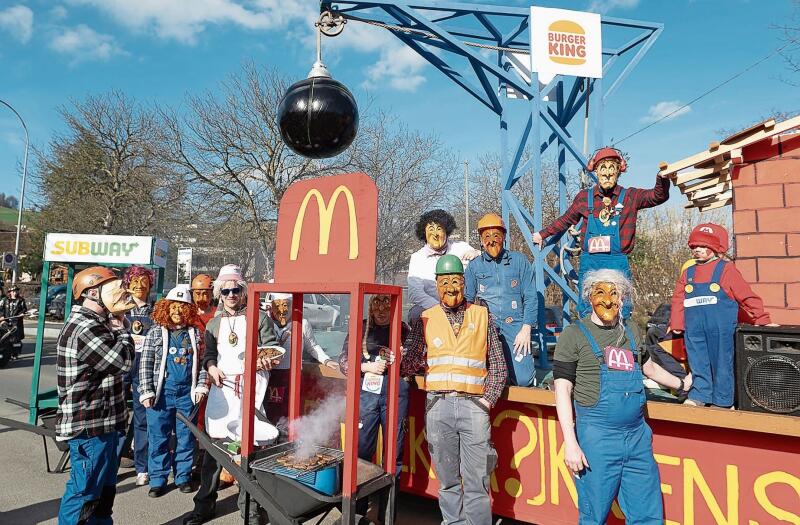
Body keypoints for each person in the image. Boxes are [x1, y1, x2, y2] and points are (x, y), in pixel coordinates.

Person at [553, 269, 691, 525]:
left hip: (637, 437)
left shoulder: (631, 331)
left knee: (648, 517)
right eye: (601, 292)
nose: (608, 300)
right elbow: (562, 390)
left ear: (623, 298)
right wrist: (570, 443)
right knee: (594, 517)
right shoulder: (573, 335)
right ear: (588, 296)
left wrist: (682, 383)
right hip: (597, 439)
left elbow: (648, 367)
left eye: (615, 293)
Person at [402, 255, 507, 525]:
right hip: (439, 408)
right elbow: (411, 361)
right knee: (447, 481)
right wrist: (396, 358)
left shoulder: (482, 315)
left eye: (456, 281)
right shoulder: (425, 319)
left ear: (464, 283)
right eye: (444, 282)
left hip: (474, 408)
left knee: (476, 482)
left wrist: (486, 402)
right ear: (437, 286)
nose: (451, 287)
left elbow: (497, 364)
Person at [183, 264, 279, 525]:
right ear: (219, 293)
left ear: (243, 291)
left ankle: (251, 510)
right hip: (223, 391)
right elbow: (208, 355)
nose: (231, 295)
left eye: (236, 289)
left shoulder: (259, 318)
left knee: (249, 452)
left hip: (252, 389)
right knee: (215, 452)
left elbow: (272, 348)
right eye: (226, 291)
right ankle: (203, 506)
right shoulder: (213, 324)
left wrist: (265, 359)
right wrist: (211, 367)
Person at [533, 148, 670, 317]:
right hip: (590, 263)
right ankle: (590, 340)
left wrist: (662, 179)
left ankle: (621, 340)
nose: (606, 174)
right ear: (596, 171)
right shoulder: (584, 198)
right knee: (588, 308)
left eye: (611, 168)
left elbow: (657, 196)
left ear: (619, 170)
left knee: (620, 308)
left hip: (617, 263)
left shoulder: (630, 196)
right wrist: (542, 234)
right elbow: (566, 219)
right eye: (602, 168)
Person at [55, 266, 138, 525]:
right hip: (89, 427)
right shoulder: (85, 328)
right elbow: (122, 362)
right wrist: (124, 330)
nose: (121, 292)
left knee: (102, 496)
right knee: (85, 495)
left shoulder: (98, 325)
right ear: (92, 293)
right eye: (113, 287)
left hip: (103, 426)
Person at [669, 223, 773, 408]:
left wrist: (761, 319)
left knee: (722, 363)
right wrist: (677, 323)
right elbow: (678, 299)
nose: (698, 250)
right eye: (694, 246)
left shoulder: (726, 269)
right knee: (698, 362)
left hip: (721, 329)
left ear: (716, 248)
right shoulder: (688, 273)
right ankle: (700, 395)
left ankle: (723, 400)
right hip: (694, 329)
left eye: (703, 246)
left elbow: (745, 294)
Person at [139, 285, 209, 497]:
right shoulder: (155, 333)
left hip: (186, 394)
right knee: (158, 436)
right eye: (173, 308)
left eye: (182, 308)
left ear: (188, 310)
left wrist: (201, 385)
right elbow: (146, 362)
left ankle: (183, 476)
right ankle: (158, 478)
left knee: (186, 437)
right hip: (161, 393)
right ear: (165, 309)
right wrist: (146, 391)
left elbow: (204, 363)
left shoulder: (196, 334)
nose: (177, 312)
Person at [339, 295, 410, 487]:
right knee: (360, 451)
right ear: (370, 307)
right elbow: (343, 361)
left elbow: (416, 362)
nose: (380, 310)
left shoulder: (403, 329)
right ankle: (359, 510)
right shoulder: (360, 328)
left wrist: (404, 357)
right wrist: (365, 367)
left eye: (386, 306)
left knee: (394, 453)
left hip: (395, 393)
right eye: (376, 305)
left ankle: (387, 513)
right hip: (367, 393)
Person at [465, 213, 537, 387]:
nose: (491, 240)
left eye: (496, 235)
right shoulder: (474, 266)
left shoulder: (519, 261)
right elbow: (466, 301)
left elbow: (530, 296)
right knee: (484, 376)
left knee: (523, 379)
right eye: (486, 237)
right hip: (487, 326)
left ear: (503, 237)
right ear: (481, 240)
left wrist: (526, 329)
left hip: (516, 326)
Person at [264, 292, 339, 424]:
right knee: (269, 412)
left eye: (286, 305)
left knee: (289, 413)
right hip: (270, 374)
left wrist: (326, 360)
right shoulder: (266, 324)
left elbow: (313, 346)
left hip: (292, 375)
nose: (282, 310)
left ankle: (286, 440)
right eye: (278, 306)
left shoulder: (302, 323)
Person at [407, 209, 480, 322]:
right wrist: (440, 309)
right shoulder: (417, 258)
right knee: (415, 314)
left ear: (447, 231)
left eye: (439, 229)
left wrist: (477, 253)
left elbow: (484, 264)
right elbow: (415, 293)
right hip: (432, 307)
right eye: (431, 229)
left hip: (462, 306)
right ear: (424, 233)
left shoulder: (461, 247)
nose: (435, 234)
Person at [120, 265, 155, 486]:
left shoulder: (155, 311)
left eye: (144, 281)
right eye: (135, 280)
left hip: (144, 370)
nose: (139, 285)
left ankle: (142, 467)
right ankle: (110, 464)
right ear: (127, 284)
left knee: (142, 419)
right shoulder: (120, 309)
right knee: (114, 417)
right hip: (120, 367)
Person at [0, 285, 27, 360]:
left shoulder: (21, 300)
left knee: (15, 339)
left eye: (16, 291)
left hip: (16, 322)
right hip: (6, 321)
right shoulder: (4, 300)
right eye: (13, 291)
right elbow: (1, 309)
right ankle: (6, 353)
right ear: (10, 292)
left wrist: (22, 313)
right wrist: (2, 316)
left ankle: (15, 354)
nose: (15, 293)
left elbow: (24, 309)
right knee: (5, 338)